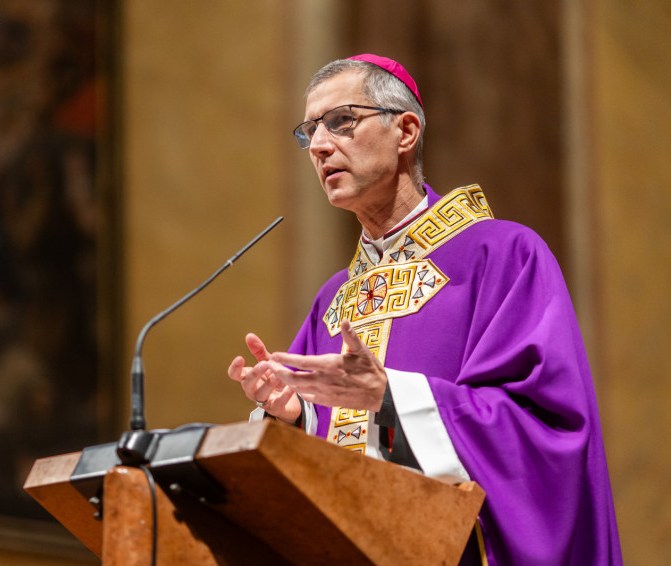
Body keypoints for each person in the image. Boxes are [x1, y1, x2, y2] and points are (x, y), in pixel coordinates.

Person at [227, 54, 622, 566]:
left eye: (341, 121)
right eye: (310, 131)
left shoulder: (502, 255)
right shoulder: (334, 297)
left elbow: (546, 435)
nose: (320, 145)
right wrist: (295, 416)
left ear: (406, 131)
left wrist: (391, 397)